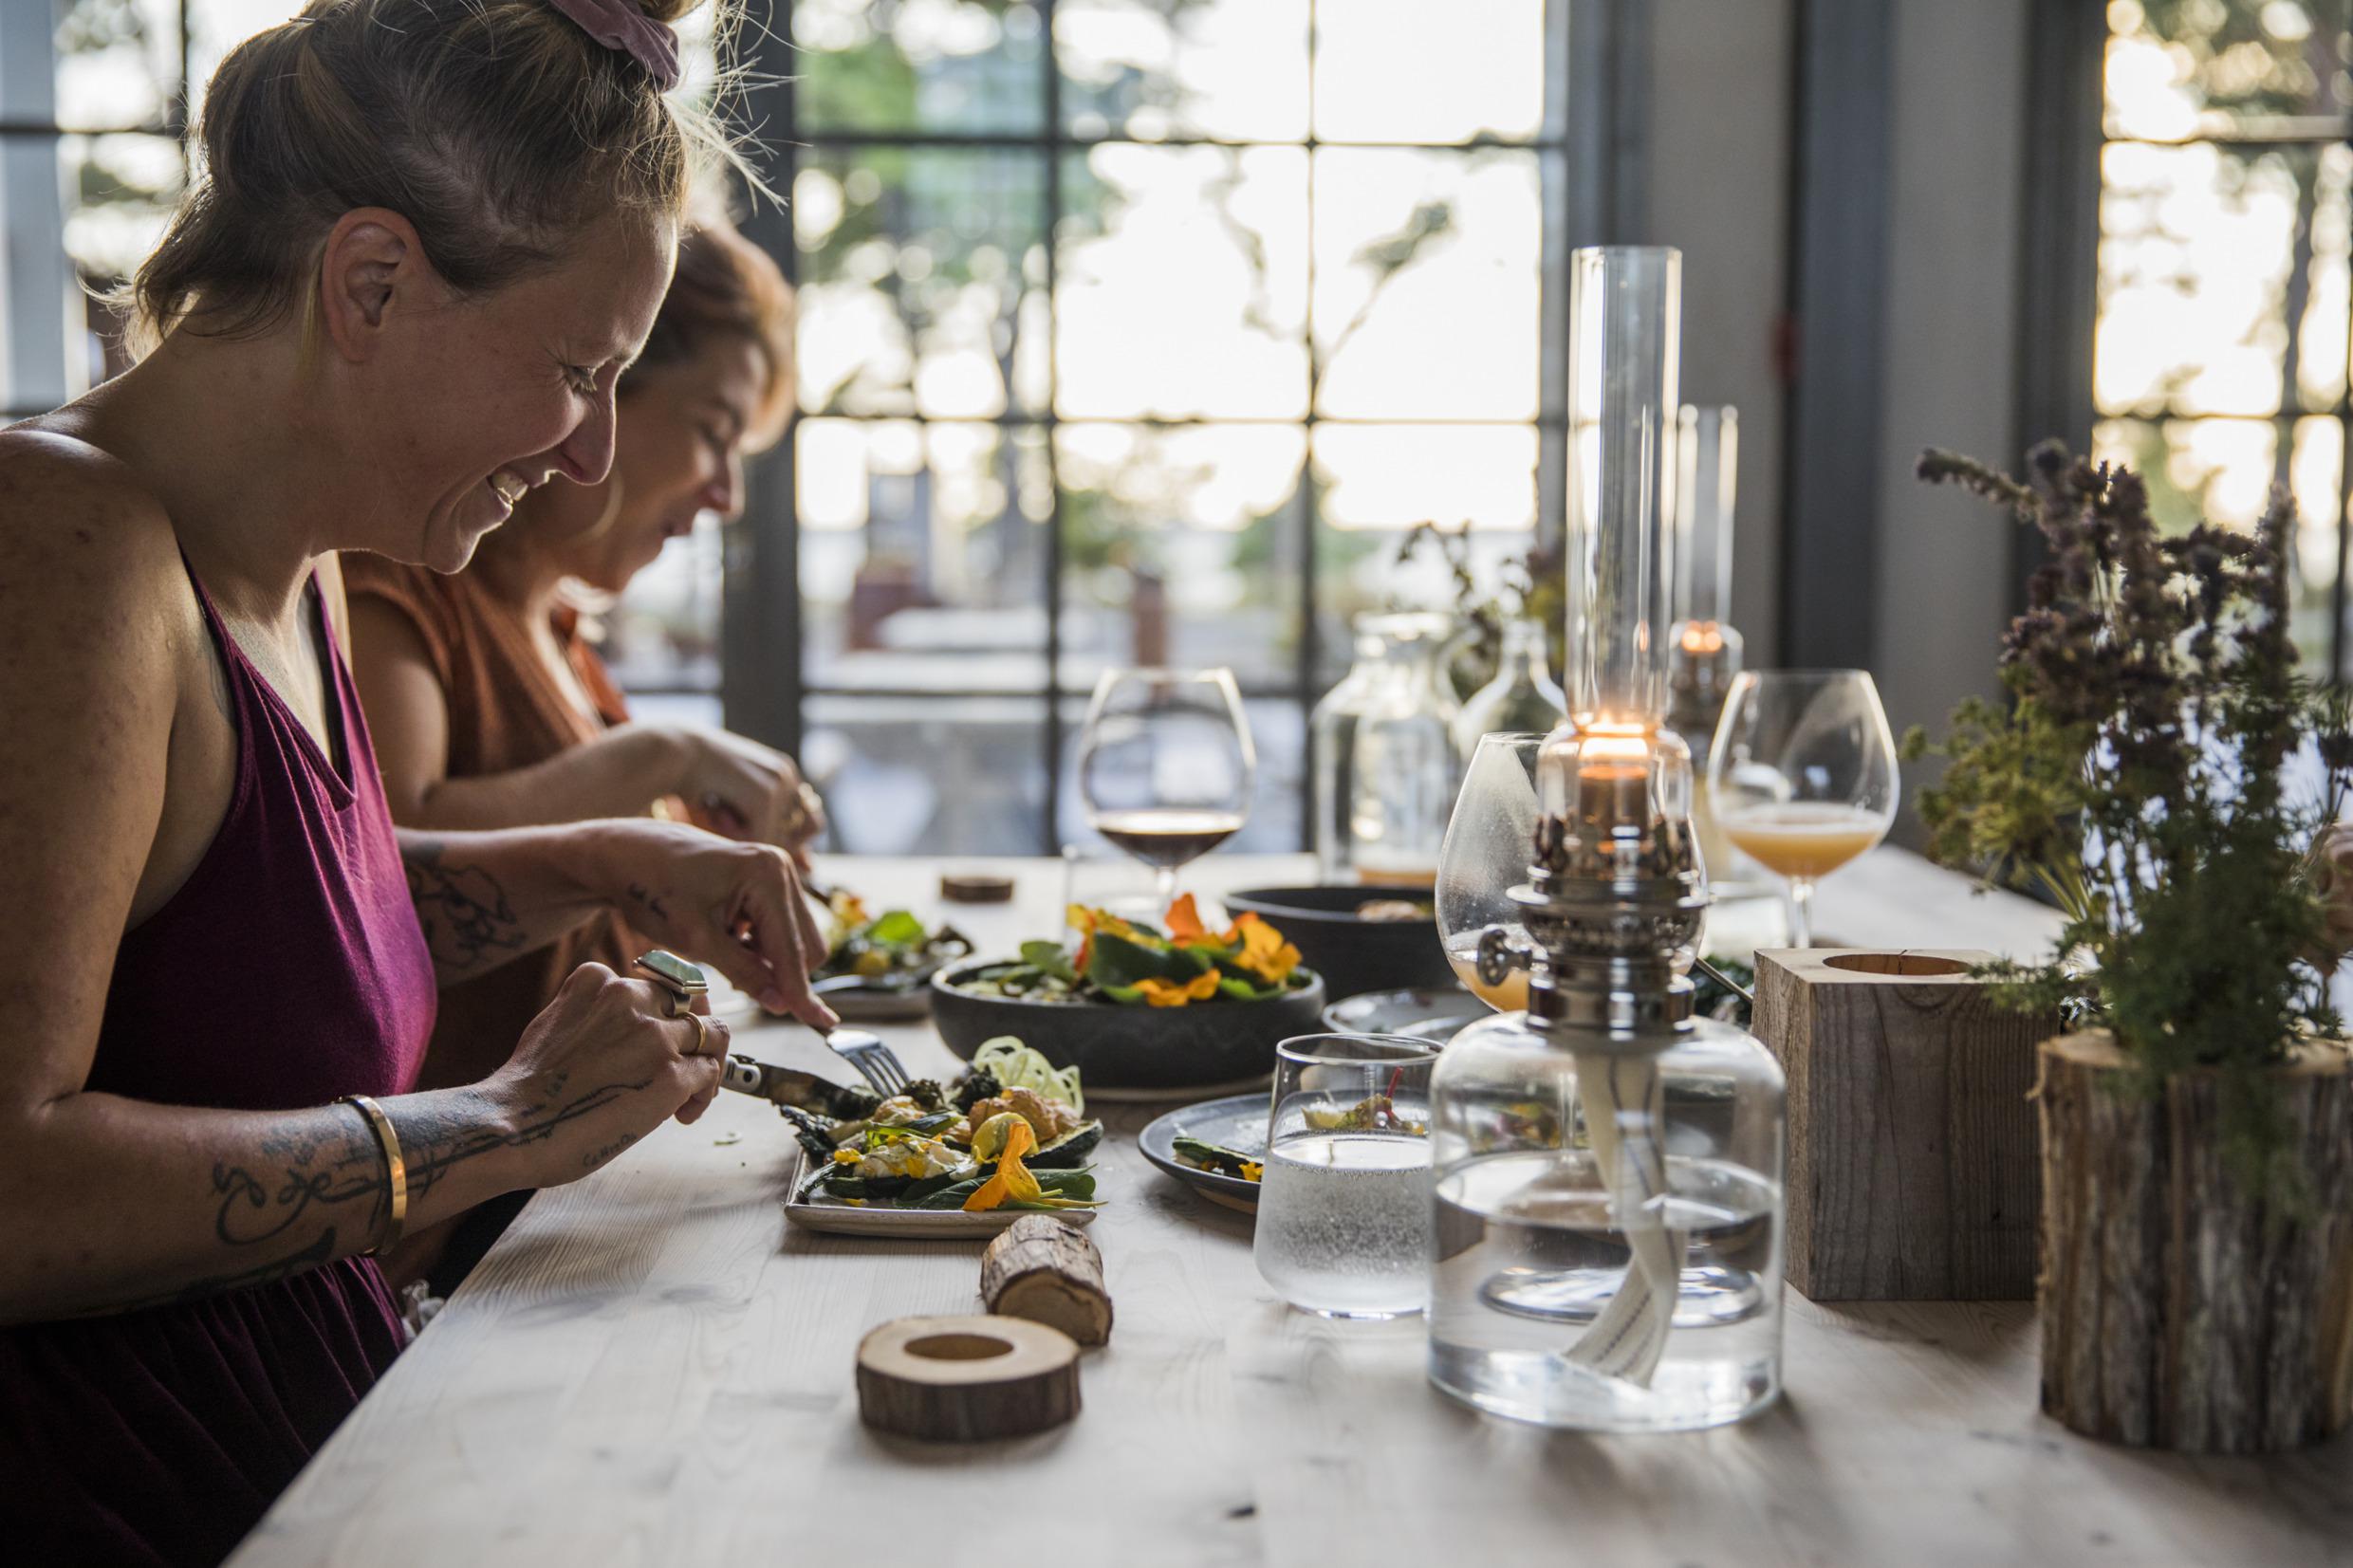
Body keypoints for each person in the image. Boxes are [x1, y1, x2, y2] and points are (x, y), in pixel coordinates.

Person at [0, 3, 836, 1563]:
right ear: (372, 281)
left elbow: (228, 971)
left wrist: (590, 859)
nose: (591, 456)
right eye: (579, 370)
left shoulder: (306, 558)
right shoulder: (64, 551)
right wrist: (495, 1121)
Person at [343, 212, 807, 1288]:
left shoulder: (555, 630)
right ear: (602, 388)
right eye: (711, 431)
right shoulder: (399, 586)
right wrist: (652, 761)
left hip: (559, 1208)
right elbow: (387, 854)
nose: (725, 495)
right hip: (448, 1251)